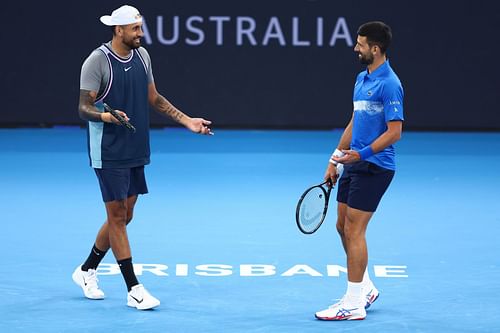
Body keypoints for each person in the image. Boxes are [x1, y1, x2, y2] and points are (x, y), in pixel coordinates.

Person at [72, 5, 213, 310]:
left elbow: (154, 98)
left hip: (136, 147)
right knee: (118, 217)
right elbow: (83, 108)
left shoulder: (143, 56)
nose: (140, 33)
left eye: (140, 27)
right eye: (134, 28)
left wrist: (187, 120)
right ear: (118, 30)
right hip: (107, 150)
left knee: (125, 214)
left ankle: (86, 270)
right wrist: (107, 118)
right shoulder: (97, 61)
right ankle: (134, 289)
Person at [315, 21, 404, 321]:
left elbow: (395, 133)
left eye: (360, 44)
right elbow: (355, 123)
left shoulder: (390, 83)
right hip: (353, 162)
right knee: (342, 226)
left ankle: (353, 303)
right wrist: (335, 159)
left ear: (375, 49)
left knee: (355, 230)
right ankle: (364, 288)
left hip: (376, 166)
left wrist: (361, 155)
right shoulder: (360, 79)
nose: (356, 48)